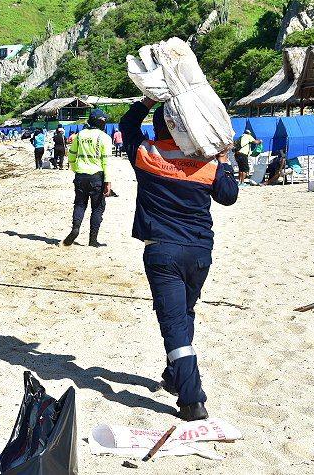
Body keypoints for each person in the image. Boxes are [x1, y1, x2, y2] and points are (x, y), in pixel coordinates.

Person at [119, 100, 238, 421]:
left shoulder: (146, 155)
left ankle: (191, 399)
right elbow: (228, 196)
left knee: (173, 324)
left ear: (158, 129)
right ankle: (174, 376)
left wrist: (146, 100)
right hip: (200, 252)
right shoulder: (207, 163)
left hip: (162, 252)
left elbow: (126, 127)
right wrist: (224, 159)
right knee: (183, 314)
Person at [62, 110, 112, 247]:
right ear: (102, 122)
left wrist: (75, 169)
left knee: (79, 204)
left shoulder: (79, 136)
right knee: (97, 208)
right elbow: (106, 161)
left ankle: (75, 228)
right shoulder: (104, 137)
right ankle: (93, 240)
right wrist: (108, 181)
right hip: (97, 177)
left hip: (80, 176)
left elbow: (71, 155)